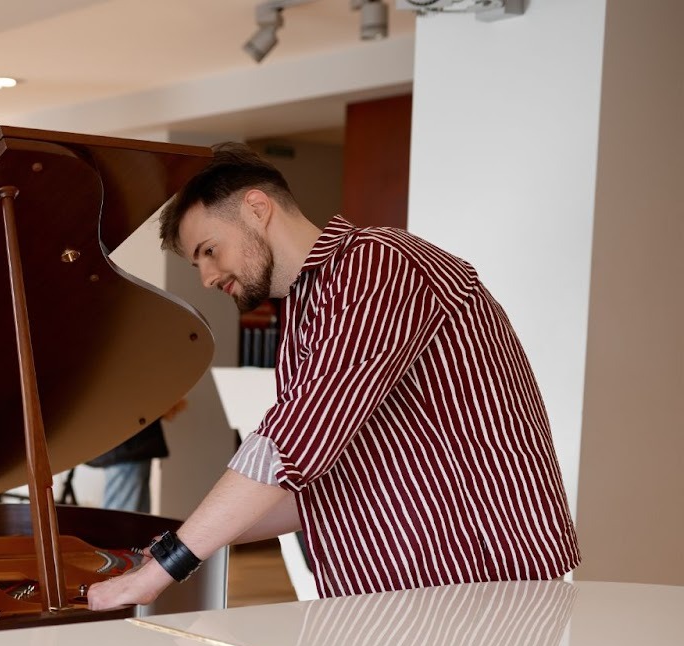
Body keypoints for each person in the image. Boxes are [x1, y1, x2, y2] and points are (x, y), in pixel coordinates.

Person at [89, 144, 579, 610]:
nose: (207, 278)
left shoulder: (379, 264)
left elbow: (291, 443)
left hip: (476, 580)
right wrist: (177, 542)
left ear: (257, 208)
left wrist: (165, 567)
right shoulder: (309, 304)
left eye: (210, 250)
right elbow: (315, 486)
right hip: (402, 588)